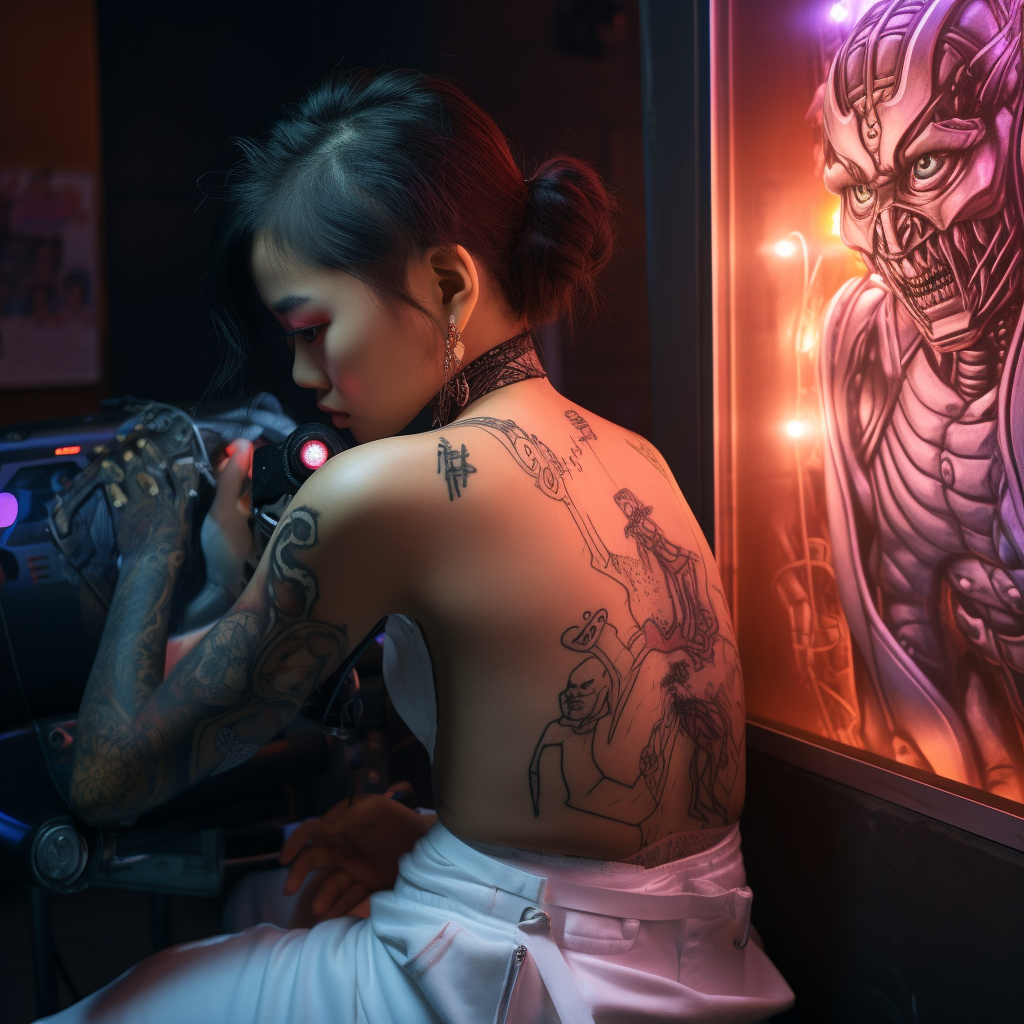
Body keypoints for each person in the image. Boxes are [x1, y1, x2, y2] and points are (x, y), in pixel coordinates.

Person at [41, 71, 793, 1024]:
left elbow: (106, 779)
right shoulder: (635, 457)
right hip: (706, 970)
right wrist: (434, 836)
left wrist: (153, 545)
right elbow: (636, 838)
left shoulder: (379, 486)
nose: (306, 376)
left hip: (505, 978)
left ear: (447, 284)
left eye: (312, 329)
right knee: (265, 900)